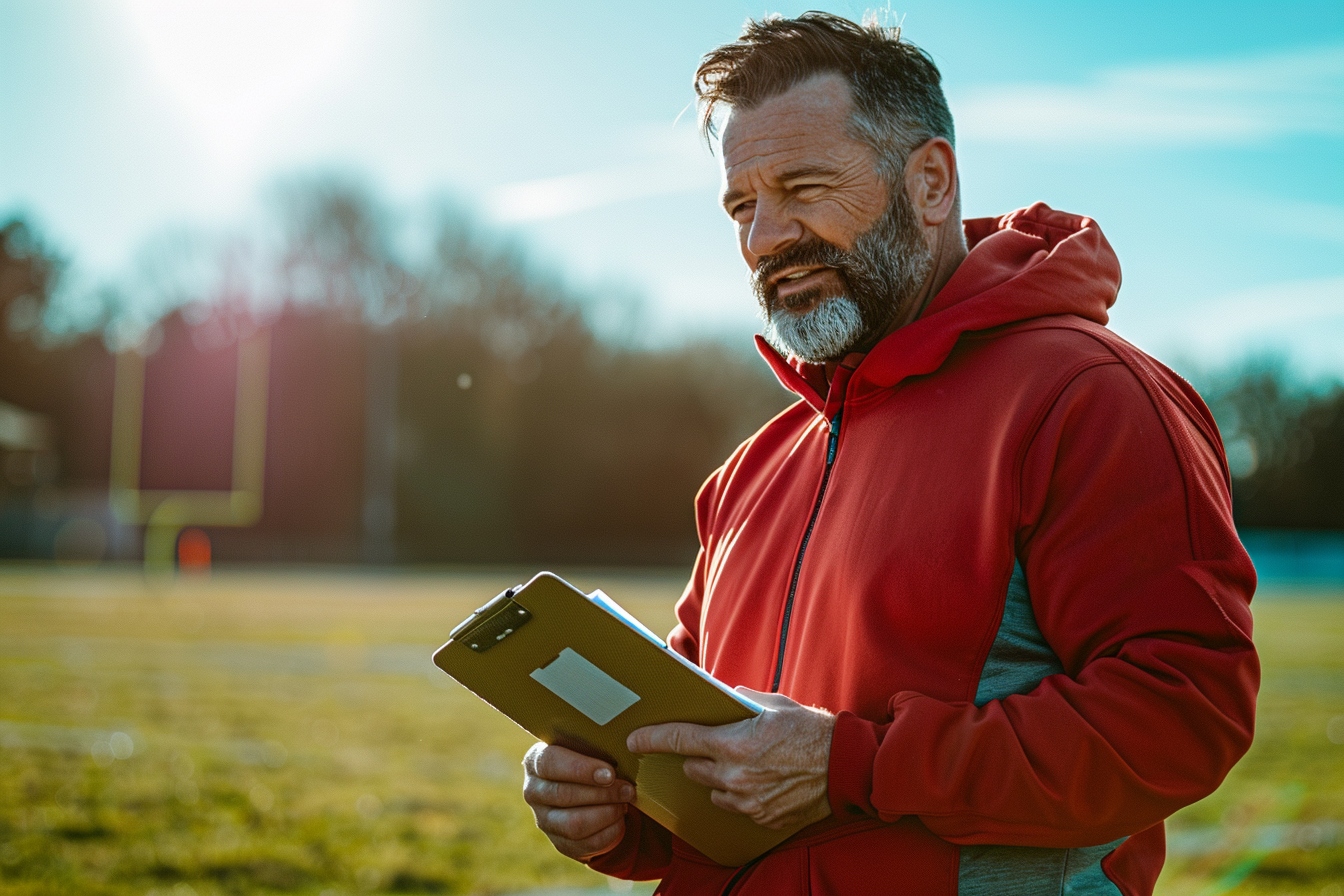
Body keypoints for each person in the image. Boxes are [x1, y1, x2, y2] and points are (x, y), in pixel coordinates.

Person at [521, 12, 1258, 895]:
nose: (764, 239)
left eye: (802, 186)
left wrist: (853, 764)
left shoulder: (1086, 394)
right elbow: (715, 774)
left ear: (932, 183)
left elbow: (1183, 718)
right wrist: (616, 810)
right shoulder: (752, 471)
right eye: (742, 204)